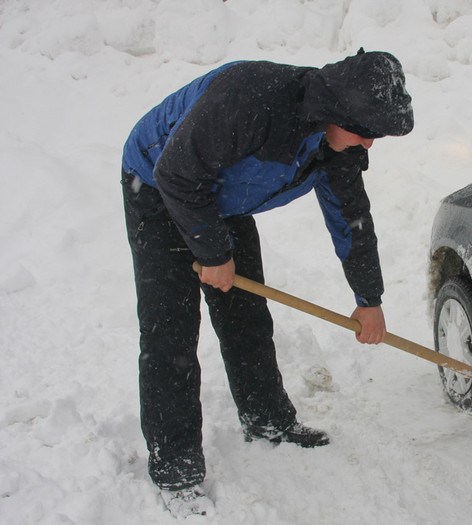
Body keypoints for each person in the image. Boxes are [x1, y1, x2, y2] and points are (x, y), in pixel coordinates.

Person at [121, 49, 414, 515]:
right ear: (336, 111)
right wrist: (213, 253)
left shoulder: (338, 144)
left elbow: (351, 217)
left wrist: (368, 298)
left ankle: (267, 420)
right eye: (364, 132)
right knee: (170, 334)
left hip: (219, 197)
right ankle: (175, 468)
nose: (369, 144)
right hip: (161, 186)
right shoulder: (250, 100)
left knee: (246, 318)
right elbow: (176, 172)